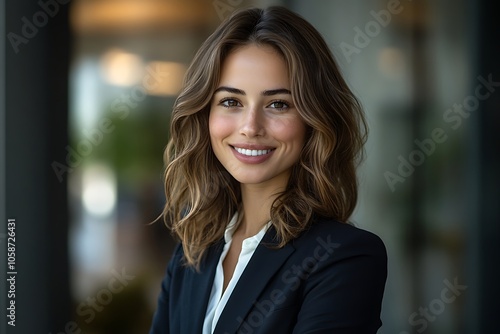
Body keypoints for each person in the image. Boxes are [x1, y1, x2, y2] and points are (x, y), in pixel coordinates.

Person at [150, 6, 387, 334]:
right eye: (231, 102)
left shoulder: (345, 258)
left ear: (314, 118)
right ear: (204, 114)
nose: (250, 127)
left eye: (279, 104)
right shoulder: (190, 256)